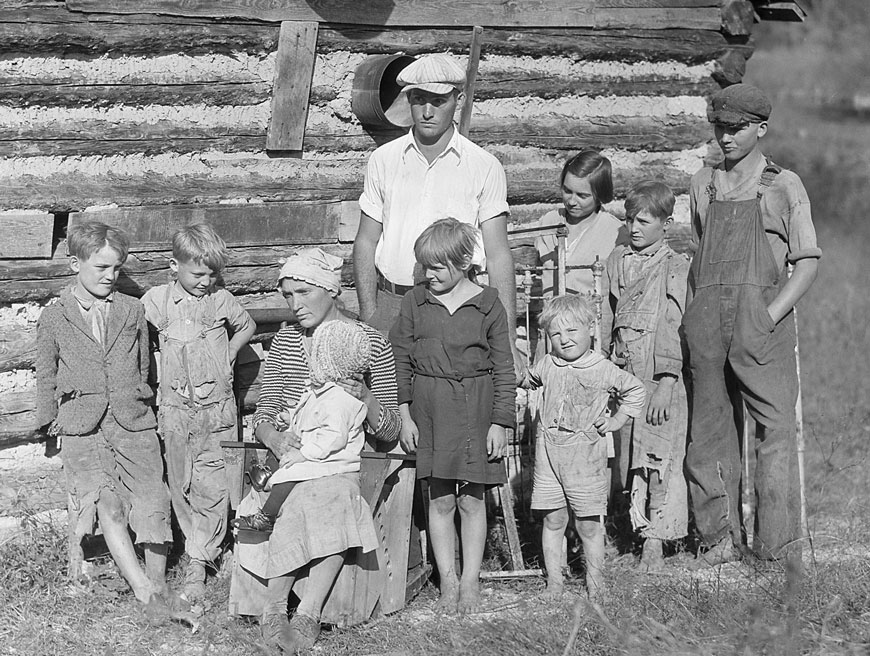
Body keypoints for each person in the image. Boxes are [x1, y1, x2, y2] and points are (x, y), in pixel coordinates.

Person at [228, 248, 401, 654]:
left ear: (330, 290)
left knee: (323, 495)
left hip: (343, 461)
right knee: (296, 491)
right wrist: (273, 438)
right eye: (288, 295)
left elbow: (390, 428)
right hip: (291, 456)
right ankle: (274, 611)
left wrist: (366, 397)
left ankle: (306, 611)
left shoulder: (369, 343)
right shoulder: (287, 341)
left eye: (303, 292)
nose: (295, 304)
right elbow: (265, 412)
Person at [683, 84, 821, 567]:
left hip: (762, 320)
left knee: (775, 431)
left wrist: (768, 314)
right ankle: (718, 540)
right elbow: (701, 250)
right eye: (719, 127)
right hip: (707, 322)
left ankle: (777, 549)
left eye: (736, 128)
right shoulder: (702, 182)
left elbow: (805, 263)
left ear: (760, 129)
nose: (725, 137)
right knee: (709, 431)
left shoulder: (784, 185)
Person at [35, 221, 187, 618]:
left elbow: (141, 366)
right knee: (107, 504)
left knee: (154, 498)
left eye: (117, 268)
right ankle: (143, 592)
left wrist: (139, 398)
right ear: (74, 264)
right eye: (100, 267)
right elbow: (46, 373)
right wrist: (48, 421)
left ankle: (158, 584)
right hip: (81, 425)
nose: (110, 276)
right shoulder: (55, 317)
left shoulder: (132, 310)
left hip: (132, 418)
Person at [353, 53, 518, 367]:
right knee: (388, 406)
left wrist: (508, 336)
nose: (427, 112)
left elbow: (497, 255)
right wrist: (369, 314)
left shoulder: (483, 166)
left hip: (455, 307)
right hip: (393, 304)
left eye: (438, 101)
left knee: (448, 403)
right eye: (418, 100)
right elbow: (365, 241)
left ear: (459, 99)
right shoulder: (384, 160)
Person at [390, 218, 515, 614]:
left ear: (463, 262)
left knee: (472, 500)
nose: (429, 274)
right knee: (440, 499)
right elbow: (399, 362)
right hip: (429, 409)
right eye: (424, 266)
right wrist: (404, 415)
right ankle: (447, 581)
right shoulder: (415, 302)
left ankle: (471, 583)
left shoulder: (488, 303)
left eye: (438, 267)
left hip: (476, 408)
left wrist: (500, 422)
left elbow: (504, 369)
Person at [141, 223, 255, 600]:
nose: (206, 281)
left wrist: (230, 353)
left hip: (217, 411)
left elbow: (247, 325)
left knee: (214, 482)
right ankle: (198, 546)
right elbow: (137, 335)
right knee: (181, 482)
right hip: (174, 409)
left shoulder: (221, 300)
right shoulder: (156, 301)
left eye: (212, 274)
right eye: (198, 273)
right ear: (174, 266)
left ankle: (197, 563)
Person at [525, 294, 645, 600]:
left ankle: (596, 585)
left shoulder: (602, 368)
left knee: (589, 525)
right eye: (555, 334)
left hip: (584, 456)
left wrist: (617, 420)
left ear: (590, 329)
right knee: (553, 520)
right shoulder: (548, 363)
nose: (564, 340)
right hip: (549, 453)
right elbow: (527, 380)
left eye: (572, 331)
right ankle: (555, 583)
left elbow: (635, 391)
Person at [605, 181, 690, 573]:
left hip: (658, 375)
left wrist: (668, 381)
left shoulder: (674, 266)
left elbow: (674, 325)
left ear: (666, 223)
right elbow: (609, 315)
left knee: (658, 453)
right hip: (626, 372)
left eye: (643, 221)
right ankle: (631, 531)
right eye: (629, 220)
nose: (634, 228)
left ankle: (657, 539)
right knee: (628, 455)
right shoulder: (618, 260)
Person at [232, 319, 372, 533]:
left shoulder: (339, 399)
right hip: (315, 450)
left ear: (330, 361)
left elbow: (333, 437)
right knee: (284, 447)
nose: (310, 360)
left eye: (316, 355)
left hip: (332, 460)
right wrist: (290, 419)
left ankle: (266, 516)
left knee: (290, 474)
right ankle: (267, 471)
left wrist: (303, 454)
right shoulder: (320, 390)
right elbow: (311, 415)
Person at [534, 150, 628, 299]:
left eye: (582, 196)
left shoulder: (615, 232)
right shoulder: (549, 222)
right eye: (567, 191)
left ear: (600, 196)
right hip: (551, 319)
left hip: (593, 320)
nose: (572, 201)